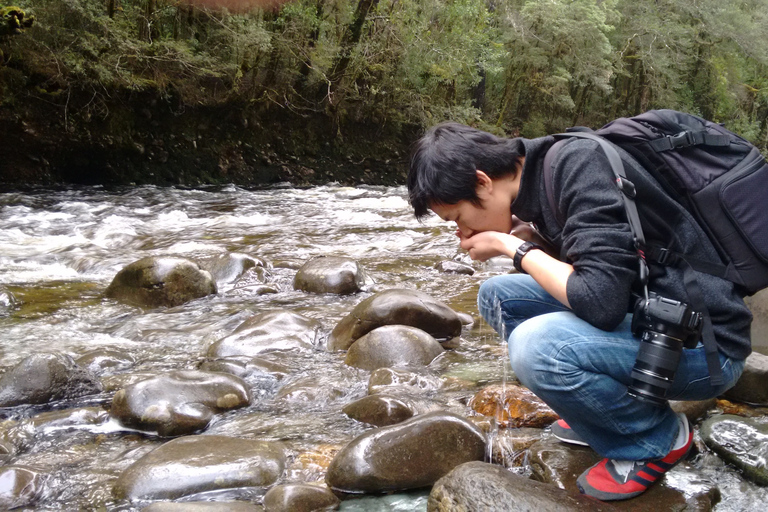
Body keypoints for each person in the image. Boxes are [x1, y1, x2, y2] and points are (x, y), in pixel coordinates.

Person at [407, 122, 752, 501]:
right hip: (650, 316)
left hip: (703, 347)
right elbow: (605, 272)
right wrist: (534, 240)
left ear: (483, 181)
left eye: (457, 219)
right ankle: (603, 409)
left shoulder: (577, 166)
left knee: (536, 347)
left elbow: (601, 303)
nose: (462, 234)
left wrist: (512, 247)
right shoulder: (539, 172)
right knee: (498, 296)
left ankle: (655, 438)